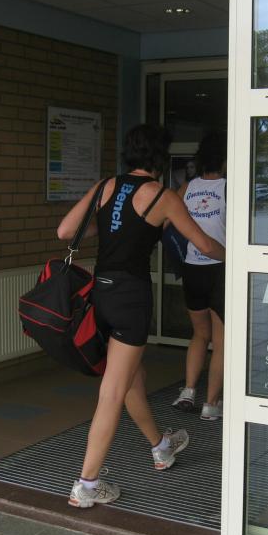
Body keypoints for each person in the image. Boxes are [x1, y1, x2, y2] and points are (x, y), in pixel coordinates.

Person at [57, 124, 225, 508]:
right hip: (131, 299)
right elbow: (204, 244)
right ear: (159, 157)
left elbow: (65, 230)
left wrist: (109, 227)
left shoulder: (105, 186)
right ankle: (87, 484)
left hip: (101, 293)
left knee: (133, 378)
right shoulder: (162, 196)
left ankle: (161, 446)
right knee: (113, 391)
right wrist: (238, 259)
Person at [170, 132, 227, 420]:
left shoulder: (188, 187)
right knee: (221, 341)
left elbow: (168, 221)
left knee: (199, 335)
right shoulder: (229, 187)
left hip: (193, 267)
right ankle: (211, 404)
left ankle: (188, 391)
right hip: (220, 267)